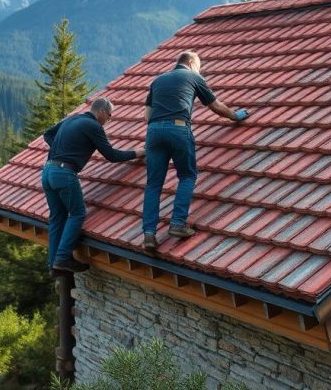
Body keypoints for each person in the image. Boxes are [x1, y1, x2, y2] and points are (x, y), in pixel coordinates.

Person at [141, 51, 249, 251]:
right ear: (191, 63)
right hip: (178, 128)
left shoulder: (157, 81)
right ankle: (177, 224)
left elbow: (147, 115)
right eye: (199, 66)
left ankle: (149, 234)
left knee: (153, 184)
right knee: (187, 175)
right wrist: (236, 116)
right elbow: (215, 105)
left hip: (153, 131)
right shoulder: (193, 77)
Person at [42, 97, 144, 274]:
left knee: (57, 218)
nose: (109, 120)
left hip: (48, 171)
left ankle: (53, 265)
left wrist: (65, 148)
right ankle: (62, 258)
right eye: (110, 116)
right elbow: (111, 155)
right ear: (102, 111)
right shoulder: (93, 126)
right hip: (64, 173)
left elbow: (48, 134)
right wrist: (138, 152)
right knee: (77, 213)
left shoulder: (73, 119)